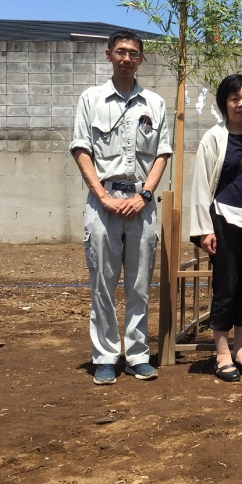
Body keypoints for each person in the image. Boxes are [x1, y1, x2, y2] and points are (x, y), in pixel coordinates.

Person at [70, 30, 172, 385]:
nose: (127, 59)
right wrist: (103, 197)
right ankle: (105, 356)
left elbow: (162, 154)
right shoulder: (91, 99)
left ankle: (138, 353)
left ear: (141, 59)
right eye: (121, 52)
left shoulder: (154, 104)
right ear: (108, 55)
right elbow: (81, 150)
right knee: (103, 282)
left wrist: (144, 196)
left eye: (134, 53)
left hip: (141, 203)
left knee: (140, 285)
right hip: (104, 203)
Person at [189, 74, 242, 383]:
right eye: (235, 99)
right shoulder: (213, 138)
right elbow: (200, 188)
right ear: (224, 103)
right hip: (223, 220)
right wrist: (205, 230)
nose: (241, 104)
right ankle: (222, 354)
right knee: (227, 286)